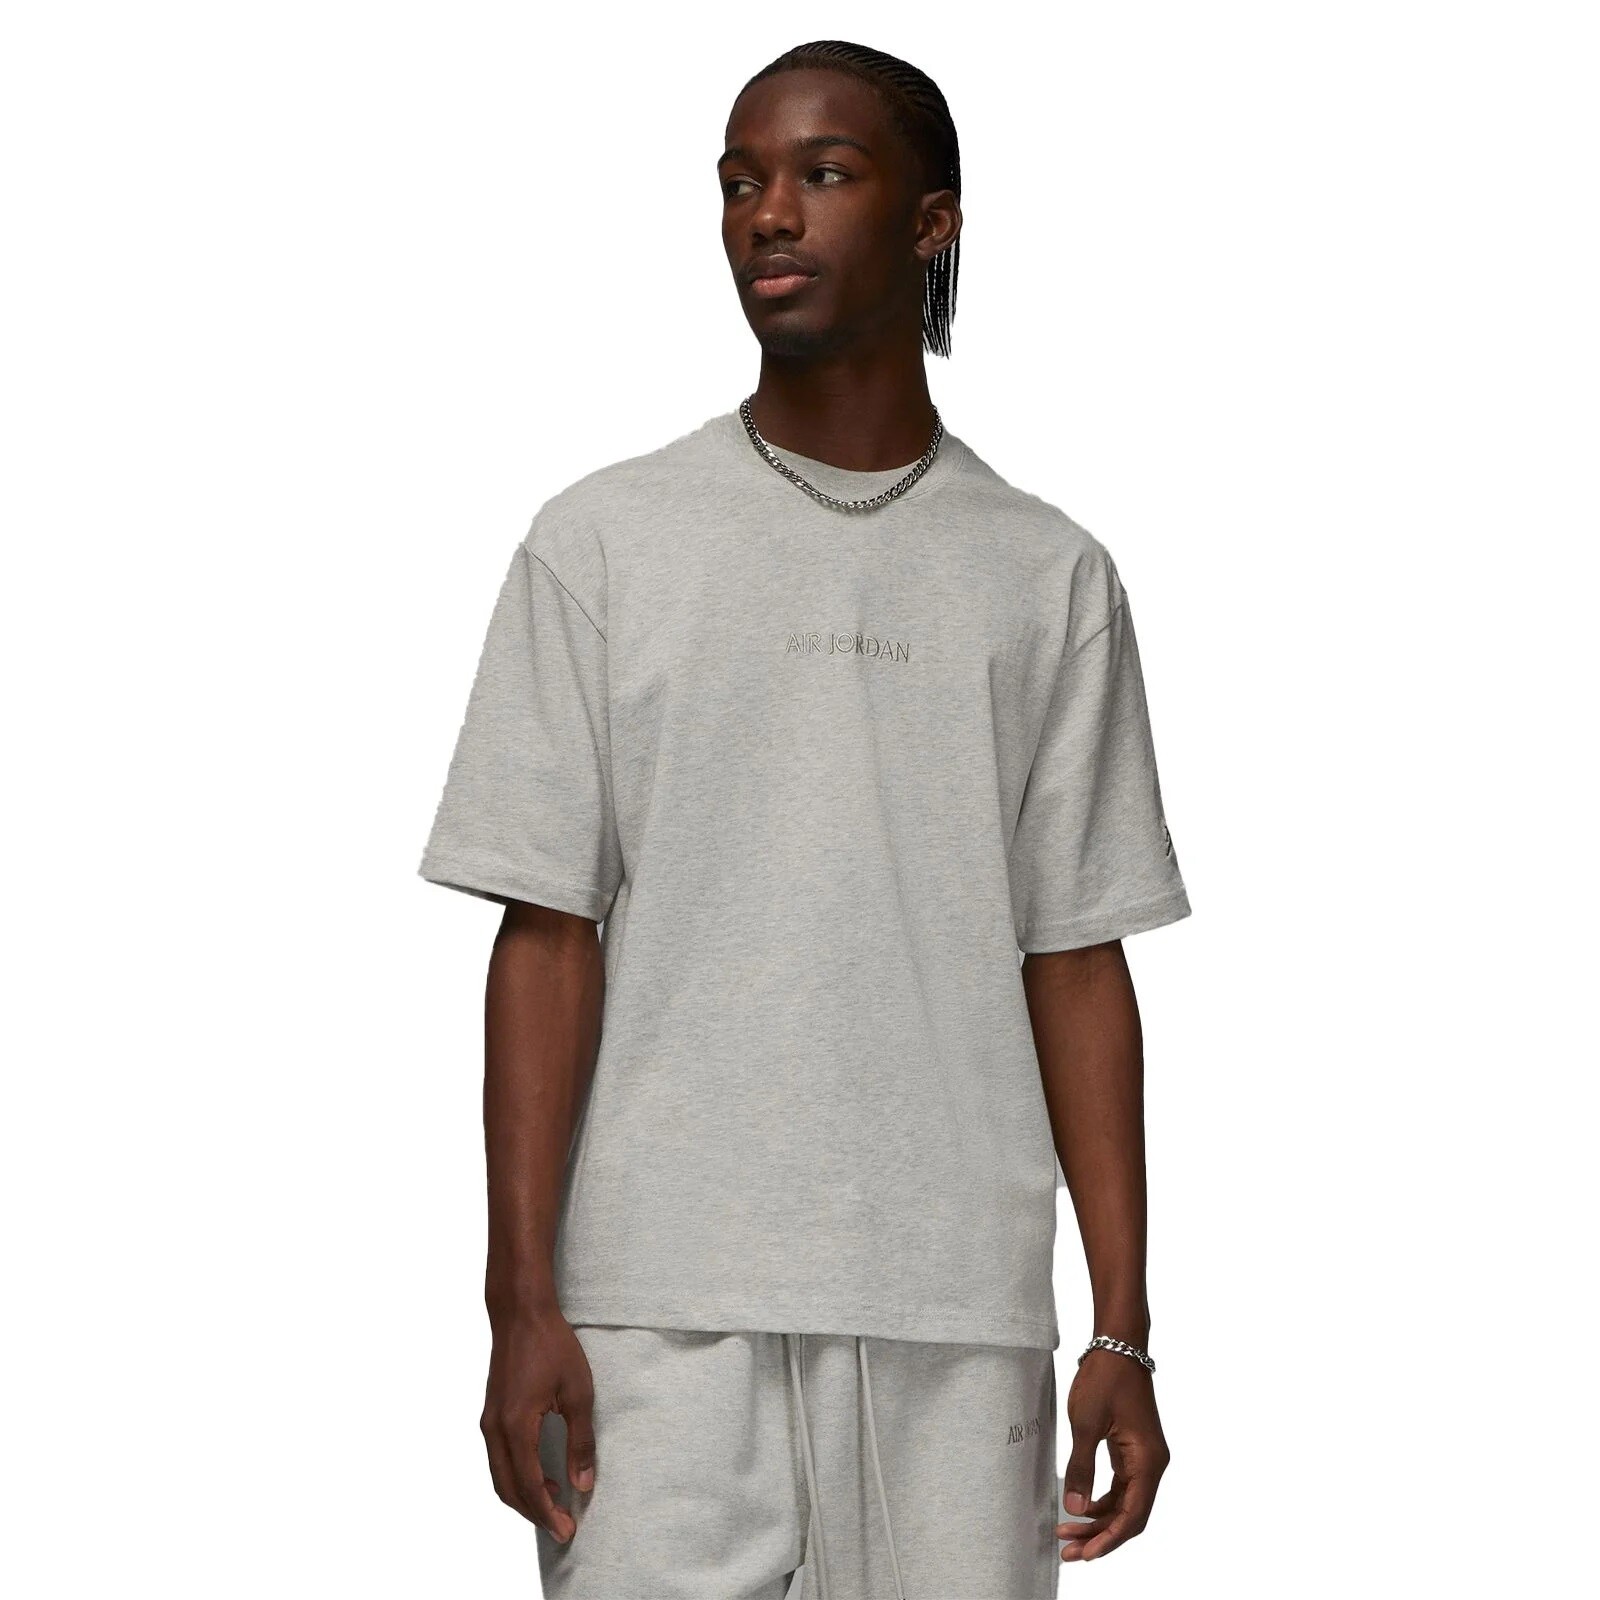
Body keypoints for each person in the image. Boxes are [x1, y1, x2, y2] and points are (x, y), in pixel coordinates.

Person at [418, 38, 1192, 1600]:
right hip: (653, 1317)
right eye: (739, 182)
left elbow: (1075, 957)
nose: (767, 213)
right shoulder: (606, 543)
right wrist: (520, 1302)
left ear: (932, 221)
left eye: (822, 174)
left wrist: (1122, 1328)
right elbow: (545, 935)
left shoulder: (1046, 575)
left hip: (956, 1320)